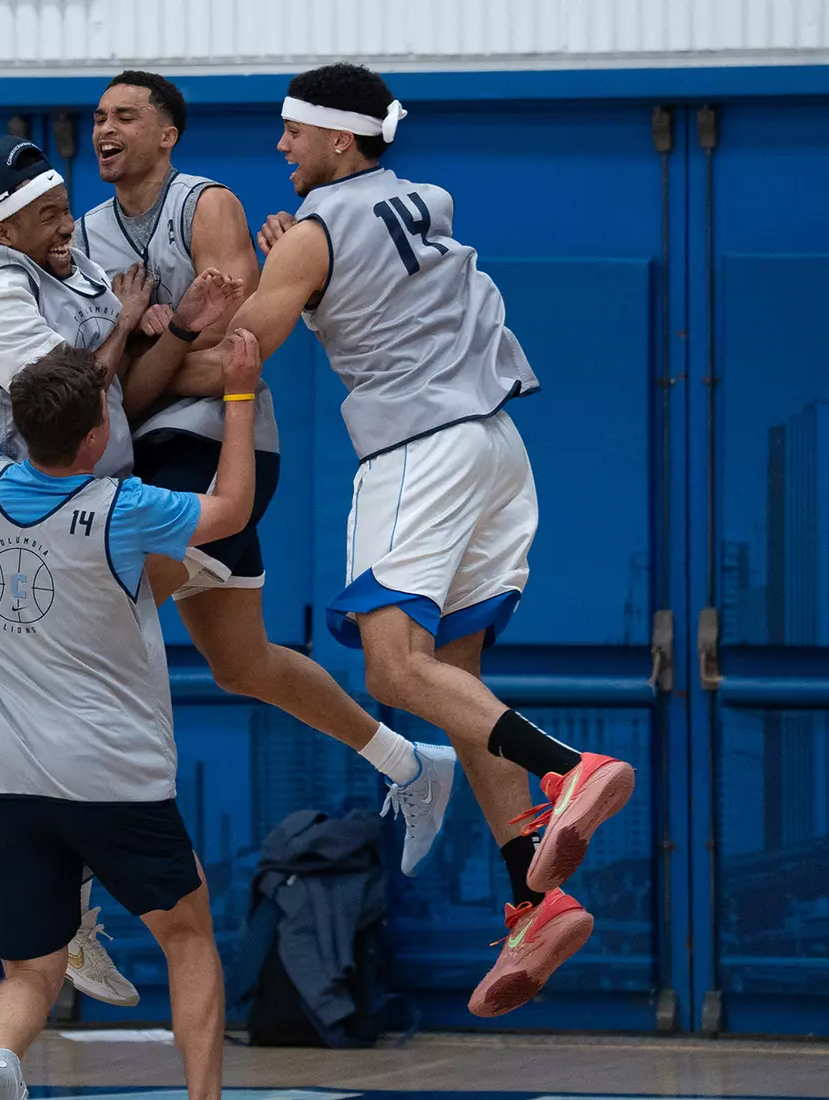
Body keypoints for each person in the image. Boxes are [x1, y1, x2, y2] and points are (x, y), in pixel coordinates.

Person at [199, 63, 637, 1017]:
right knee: (455, 683)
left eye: (293, 132)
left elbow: (242, 347)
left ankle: (569, 766)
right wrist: (302, 255)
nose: (280, 146)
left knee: (393, 674)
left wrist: (141, 349)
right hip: (497, 448)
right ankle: (535, 895)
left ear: (339, 142)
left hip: (417, 451)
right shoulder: (415, 202)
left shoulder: (314, 232)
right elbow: (357, 267)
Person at [0, 134, 242, 1041]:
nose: (65, 224)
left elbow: (118, 382)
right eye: (46, 215)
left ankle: (73, 916)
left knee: (79, 712)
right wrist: (132, 330)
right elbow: (73, 398)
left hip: (75, 523)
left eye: (62, 206)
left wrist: (182, 325)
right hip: (0, 532)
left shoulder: (68, 261)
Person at [77, 71, 458, 875]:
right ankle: (410, 763)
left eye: (124, 115)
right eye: (97, 117)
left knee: (90, 622)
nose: (104, 129)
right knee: (241, 664)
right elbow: (112, 384)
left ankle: (78, 863)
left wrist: (158, 342)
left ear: (166, 133)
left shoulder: (206, 204)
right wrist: (159, 344)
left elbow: (229, 361)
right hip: (148, 453)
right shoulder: (87, 234)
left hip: (221, 448)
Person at [0, 333, 263, 1100]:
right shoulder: (122, 509)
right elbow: (233, 507)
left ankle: (0, 1061)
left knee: (29, 971)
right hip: (115, 778)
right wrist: (237, 394)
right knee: (188, 938)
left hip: (3, 779)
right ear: (99, 436)